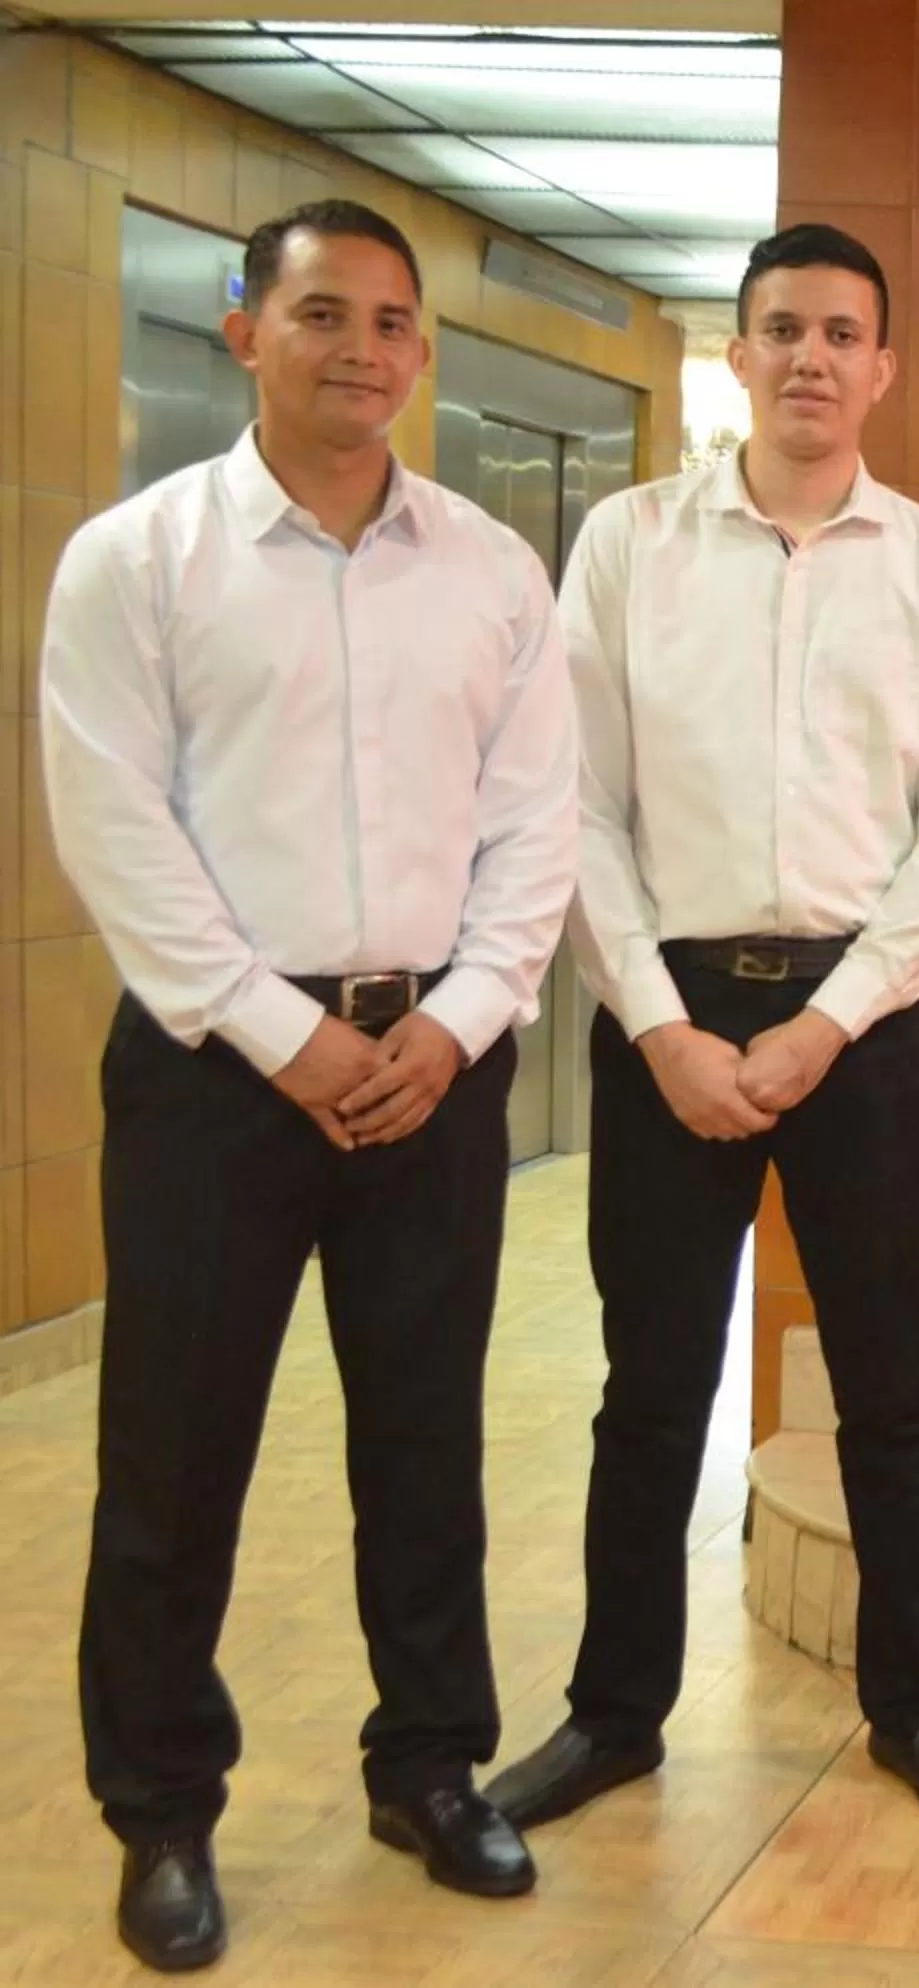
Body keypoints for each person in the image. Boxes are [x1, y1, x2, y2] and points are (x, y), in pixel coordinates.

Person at [42, 198, 578, 1971]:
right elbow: (116, 827)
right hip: (217, 1076)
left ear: (423, 349)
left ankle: (429, 1768)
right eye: (324, 313)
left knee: (425, 1444)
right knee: (173, 1453)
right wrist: (286, 1036)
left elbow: (534, 823)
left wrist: (461, 1020)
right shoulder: (138, 559)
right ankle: (161, 1812)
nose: (364, 349)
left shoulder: (491, 571)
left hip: (435, 1069)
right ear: (244, 332)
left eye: (393, 321)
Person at [485, 223, 919, 1833]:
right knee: (651, 1388)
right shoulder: (629, 545)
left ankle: (914, 1708)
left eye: (843, 334)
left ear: (884, 367)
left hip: (868, 1022)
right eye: (783, 329)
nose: (812, 359)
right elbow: (574, 806)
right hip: (673, 1016)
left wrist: (830, 1026)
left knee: (890, 1391)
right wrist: (660, 1029)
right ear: (739, 354)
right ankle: (613, 1716)